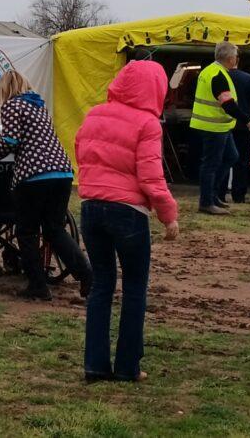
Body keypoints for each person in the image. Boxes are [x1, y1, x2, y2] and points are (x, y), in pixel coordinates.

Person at [75, 60, 179, 382]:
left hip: (91, 207)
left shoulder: (94, 114)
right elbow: (151, 177)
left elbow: (81, 153)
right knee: (134, 287)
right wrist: (168, 214)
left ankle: (95, 365)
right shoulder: (148, 124)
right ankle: (127, 367)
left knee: (101, 285)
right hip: (128, 213)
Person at [0, 70, 92, 301]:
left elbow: (11, 141)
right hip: (62, 172)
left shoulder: (11, 106)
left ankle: (37, 285)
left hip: (34, 175)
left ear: (5, 89)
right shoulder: (39, 106)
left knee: (27, 231)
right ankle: (85, 273)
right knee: (54, 229)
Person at [189, 41, 250, 214]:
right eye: (236, 56)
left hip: (218, 125)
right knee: (211, 164)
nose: (237, 59)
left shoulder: (213, 71)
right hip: (213, 126)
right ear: (231, 58)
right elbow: (228, 104)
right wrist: (248, 120)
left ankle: (213, 195)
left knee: (231, 157)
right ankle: (206, 202)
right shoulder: (218, 75)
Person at [228, 66, 250, 203]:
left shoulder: (219, 77)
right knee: (242, 161)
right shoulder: (248, 79)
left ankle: (219, 193)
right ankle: (239, 195)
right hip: (244, 125)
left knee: (223, 159)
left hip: (224, 124)